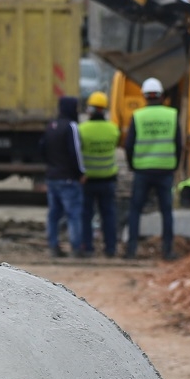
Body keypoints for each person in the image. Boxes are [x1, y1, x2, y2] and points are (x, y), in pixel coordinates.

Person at [123, 77, 180, 260]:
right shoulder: (171, 115)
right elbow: (178, 144)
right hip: (165, 170)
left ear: (144, 96)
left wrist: (133, 165)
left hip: (142, 170)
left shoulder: (138, 116)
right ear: (162, 95)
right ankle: (167, 250)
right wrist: (174, 165)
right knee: (166, 211)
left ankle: (131, 250)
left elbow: (129, 145)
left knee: (136, 210)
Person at [39, 95, 84, 258]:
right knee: (73, 214)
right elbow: (76, 153)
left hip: (52, 177)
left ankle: (53, 246)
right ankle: (76, 248)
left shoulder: (51, 125)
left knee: (54, 214)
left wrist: (51, 166)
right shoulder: (71, 126)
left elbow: (42, 148)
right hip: (68, 179)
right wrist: (81, 173)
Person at [78, 90, 121, 257]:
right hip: (108, 180)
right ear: (104, 109)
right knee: (108, 216)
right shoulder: (113, 130)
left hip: (87, 180)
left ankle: (87, 248)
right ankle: (110, 249)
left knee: (86, 215)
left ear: (90, 109)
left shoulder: (83, 130)